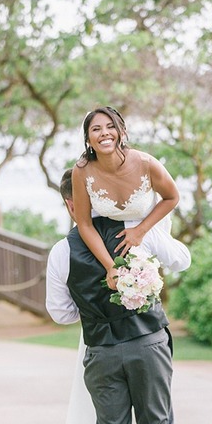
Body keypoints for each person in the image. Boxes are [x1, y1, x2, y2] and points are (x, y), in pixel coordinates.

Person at [46, 166, 190, 424]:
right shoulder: (136, 232)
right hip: (148, 345)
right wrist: (157, 233)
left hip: (101, 353)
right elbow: (180, 261)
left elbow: (59, 313)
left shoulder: (62, 252)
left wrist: (93, 308)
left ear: (69, 203)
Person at [72, 106, 180, 290]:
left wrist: (140, 230)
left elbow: (172, 197)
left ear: (122, 132)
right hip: (110, 236)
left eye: (110, 126)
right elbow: (84, 224)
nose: (104, 133)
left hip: (149, 229)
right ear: (88, 139)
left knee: (162, 275)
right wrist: (110, 266)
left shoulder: (147, 163)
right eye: (96, 129)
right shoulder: (81, 171)